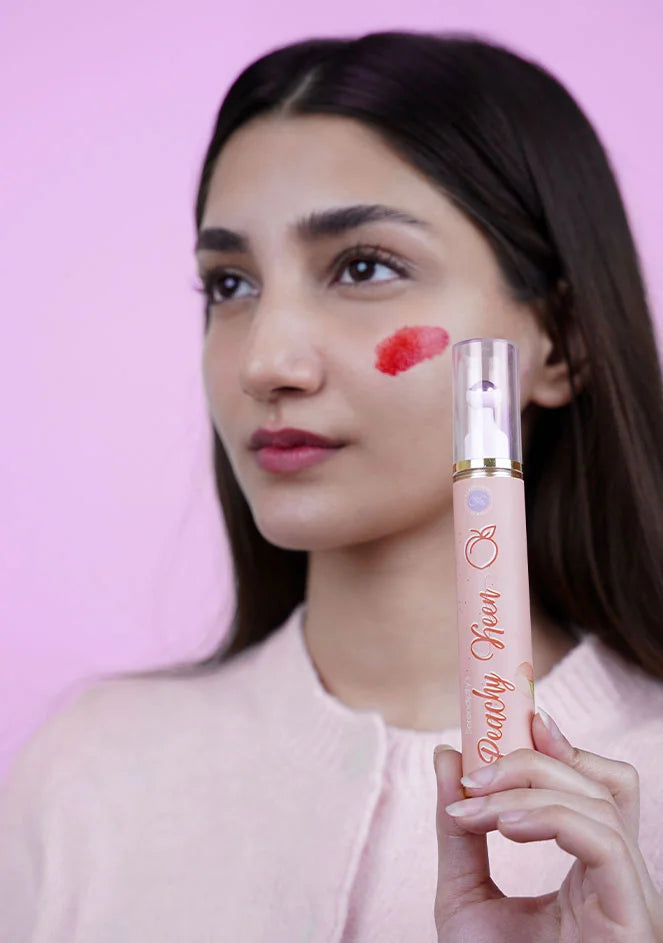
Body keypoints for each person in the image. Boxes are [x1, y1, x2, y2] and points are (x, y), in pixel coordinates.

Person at [1, 28, 663, 943]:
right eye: (229, 284)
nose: (265, 361)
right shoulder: (87, 780)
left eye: (363, 267)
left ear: (561, 342)